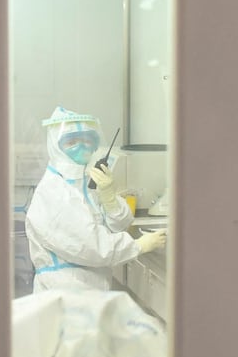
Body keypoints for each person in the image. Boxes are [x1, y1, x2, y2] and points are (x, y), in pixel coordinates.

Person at [26, 106, 166, 292]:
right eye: (72, 141)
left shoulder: (81, 183)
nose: (82, 146)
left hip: (90, 289)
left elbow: (119, 225)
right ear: (55, 145)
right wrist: (137, 246)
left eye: (87, 140)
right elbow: (91, 247)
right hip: (64, 291)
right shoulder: (55, 191)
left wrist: (109, 197)